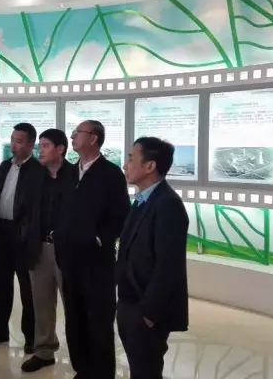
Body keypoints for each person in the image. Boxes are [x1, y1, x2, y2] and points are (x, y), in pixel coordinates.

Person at [53, 120, 129, 379]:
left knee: (99, 319)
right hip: (68, 258)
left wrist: (98, 239)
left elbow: (121, 216)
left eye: (78, 133)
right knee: (75, 317)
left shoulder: (111, 174)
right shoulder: (68, 172)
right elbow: (59, 209)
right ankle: (82, 369)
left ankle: (101, 373)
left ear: (94, 138)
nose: (72, 136)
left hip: (97, 261)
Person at [116, 137, 189, 379]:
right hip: (130, 302)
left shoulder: (168, 205)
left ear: (150, 166)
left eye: (131, 159)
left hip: (146, 310)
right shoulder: (142, 200)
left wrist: (149, 314)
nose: (125, 165)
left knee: (146, 371)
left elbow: (168, 266)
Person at [0, 123, 45, 354]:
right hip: (2, 233)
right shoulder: (5, 166)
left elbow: (37, 208)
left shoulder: (38, 170)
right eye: (12, 139)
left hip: (24, 235)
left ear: (31, 144)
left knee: (28, 290)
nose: (13, 145)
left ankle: (31, 337)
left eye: (19, 141)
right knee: (1, 286)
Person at [21, 129, 78, 373]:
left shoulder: (76, 175)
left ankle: (80, 356)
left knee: (74, 304)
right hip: (39, 247)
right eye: (40, 145)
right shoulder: (34, 176)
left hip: (69, 250)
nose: (40, 150)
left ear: (60, 149)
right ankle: (44, 351)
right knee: (42, 303)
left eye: (45, 146)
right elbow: (25, 210)